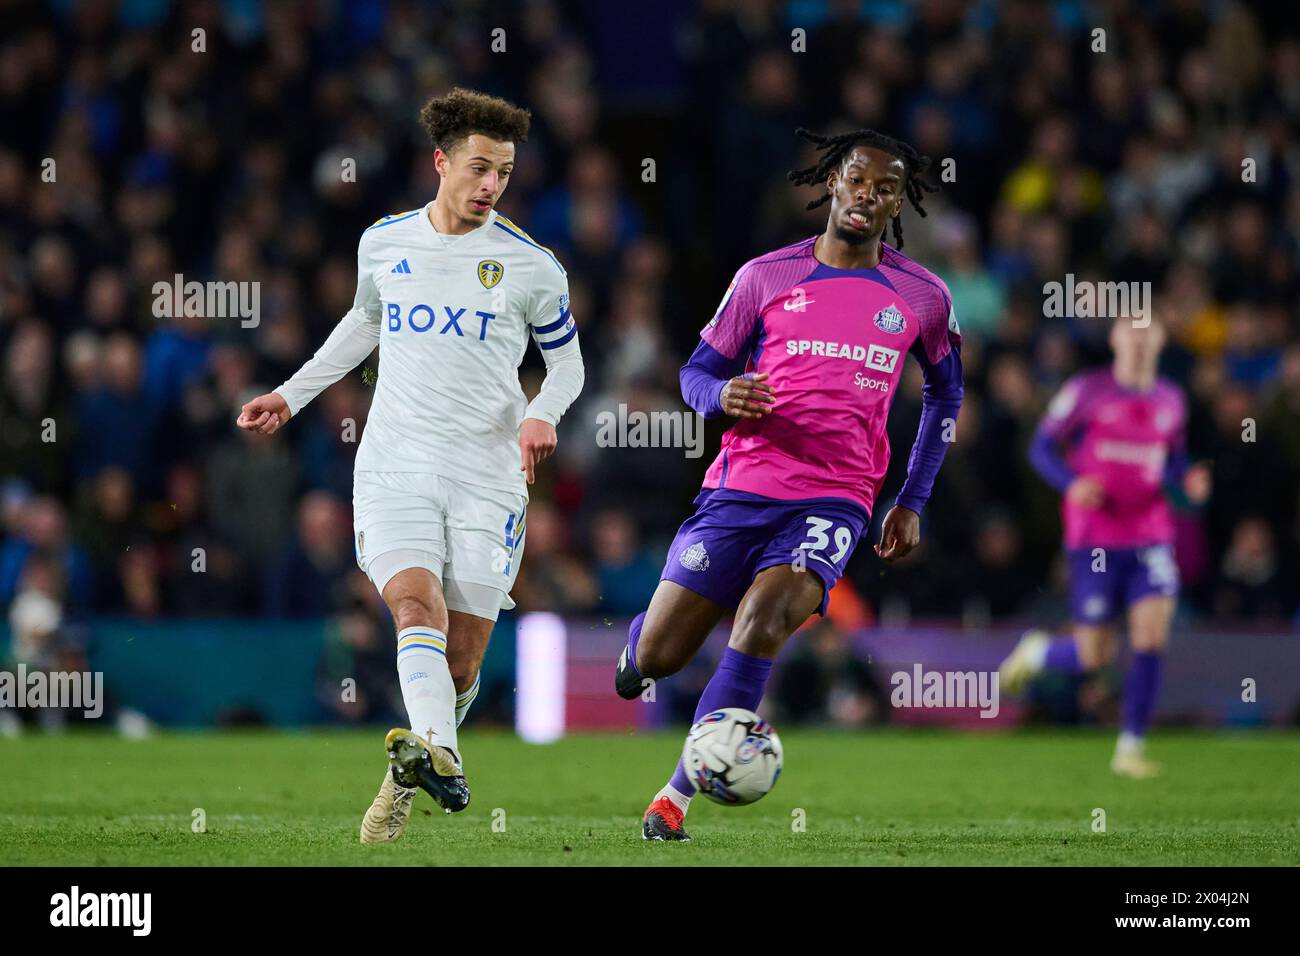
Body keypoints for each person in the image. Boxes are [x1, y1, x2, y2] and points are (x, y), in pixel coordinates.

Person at [236, 88, 584, 842]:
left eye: (505, 172)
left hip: (489, 475)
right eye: (480, 168)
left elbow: (568, 368)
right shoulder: (384, 243)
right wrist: (292, 397)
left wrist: (541, 413)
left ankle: (411, 766)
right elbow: (365, 320)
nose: (492, 185)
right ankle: (446, 759)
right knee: (412, 605)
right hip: (394, 464)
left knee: (459, 668)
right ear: (441, 162)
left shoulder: (532, 266)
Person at [614, 127, 963, 841]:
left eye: (887, 186)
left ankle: (674, 797)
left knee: (765, 621)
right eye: (858, 179)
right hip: (740, 488)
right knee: (660, 657)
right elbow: (694, 375)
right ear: (832, 181)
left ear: (901, 201)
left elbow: (944, 398)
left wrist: (911, 500)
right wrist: (722, 398)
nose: (870, 195)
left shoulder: (922, 296)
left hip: (836, 499)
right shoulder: (765, 277)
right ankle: (638, 644)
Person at [1000, 319, 1210, 778]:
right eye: (1130, 334)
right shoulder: (1087, 390)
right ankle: (1037, 652)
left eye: (1147, 334)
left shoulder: (1172, 400)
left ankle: (1130, 747)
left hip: (1151, 536)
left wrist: (1186, 479)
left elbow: (1171, 462)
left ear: (1159, 342)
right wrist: (1072, 484)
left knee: (1150, 636)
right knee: (1094, 654)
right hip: (1094, 540)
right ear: (1115, 341)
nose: (1137, 342)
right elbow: (1041, 449)